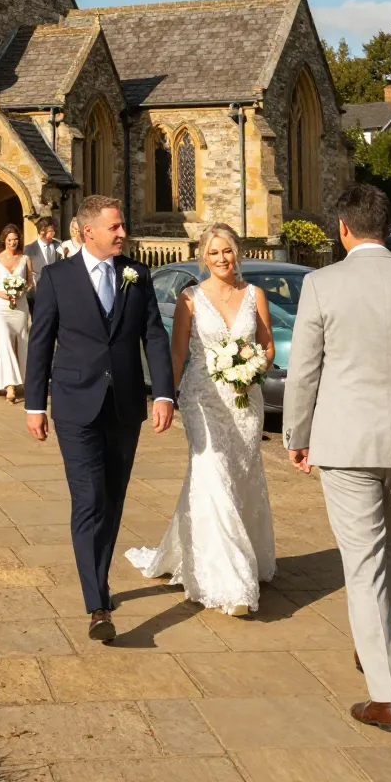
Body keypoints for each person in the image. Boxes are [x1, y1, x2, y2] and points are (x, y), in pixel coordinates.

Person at [283, 182, 391, 734]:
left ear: (342, 229)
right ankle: (373, 642)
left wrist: (296, 433)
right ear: (387, 227)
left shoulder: (321, 284)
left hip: (345, 442)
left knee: (363, 563)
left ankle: (385, 697)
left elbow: (305, 369)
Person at [25, 196, 175, 644]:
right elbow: (40, 342)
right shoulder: (55, 278)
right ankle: (97, 605)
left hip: (125, 405)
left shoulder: (138, 275)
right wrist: (35, 404)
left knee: (112, 500)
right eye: (115, 225)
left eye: (122, 224)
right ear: (87, 231)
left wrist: (163, 392)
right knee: (88, 499)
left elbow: (154, 335)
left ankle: (99, 576)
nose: (122, 232)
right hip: (75, 405)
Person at [126, 223, 275, 615]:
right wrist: (166, 398)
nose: (222, 259)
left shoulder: (254, 295)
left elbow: (268, 345)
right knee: (213, 476)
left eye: (227, 251)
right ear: (203, 258)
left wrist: (253, 366)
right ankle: (230, 583)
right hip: (201, 399)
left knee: (241, 477)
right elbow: (177, 355)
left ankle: (224, 552)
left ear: (237, 253)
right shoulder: (190, 299)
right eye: (214, 253)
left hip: (245, 401)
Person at [0, 224, 32, 402]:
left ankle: (22, 381)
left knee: (23, 340)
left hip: (20, 307)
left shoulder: (25, 258)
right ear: (4, 240)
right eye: (9, 240)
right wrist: (4, 294)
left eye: (15, 240)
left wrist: (20, 291)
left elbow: (30, 282)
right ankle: (10, 385)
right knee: (4, 341)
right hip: (0, 308)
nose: (12, 243)